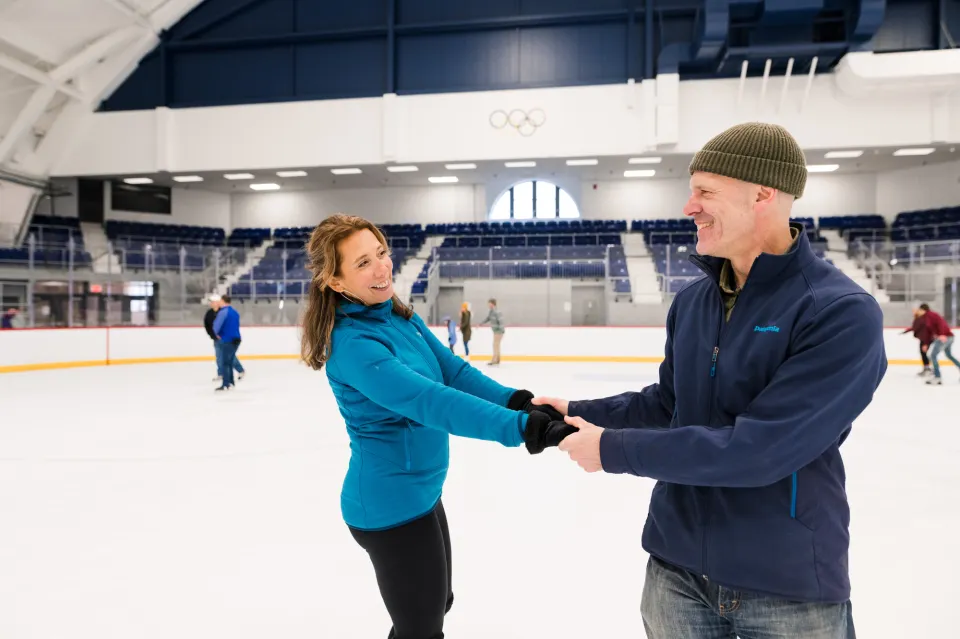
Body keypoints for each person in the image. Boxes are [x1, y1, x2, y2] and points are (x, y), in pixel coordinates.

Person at [536, 122, 887, 639]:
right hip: (675, 575)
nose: (689, 206)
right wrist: (580, 412)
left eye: (705, 191)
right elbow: (668, 404)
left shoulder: (839, 312)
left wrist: (612, 450)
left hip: (784, 588)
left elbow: (760, 449)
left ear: (763, 194)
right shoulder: (694, 301)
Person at [299, 214, 571, 639]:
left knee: (435, 607)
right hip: (389, 506)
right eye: (363, 263)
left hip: (421, 494)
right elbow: (430, 401)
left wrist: (517, 401)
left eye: (382, 253)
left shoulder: (399, 318)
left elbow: (455, 375)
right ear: (335, 282)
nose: (382, 267)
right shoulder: (353, 346)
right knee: (421, 629)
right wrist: (521, 428)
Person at [918, 303, 959, 385]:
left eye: (919, 310)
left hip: (945, 337)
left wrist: (942, 334)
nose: (919, 312)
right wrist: (926, 343)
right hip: (949, 337)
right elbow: (929, 332)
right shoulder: (928, 316)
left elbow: (940, 323)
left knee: (933, 356)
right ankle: (937, 376)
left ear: (923, 310)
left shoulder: (930, 315)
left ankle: (937, 377)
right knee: (949, 355)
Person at [212, 294, 242, 392]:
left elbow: (216, 326)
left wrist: (216, 334)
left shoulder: (223, 312)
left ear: (224, 301)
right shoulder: (235, 312)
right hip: (236, 339)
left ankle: (226, 384)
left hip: (227, 339)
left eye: (220, 300)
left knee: (225, 362)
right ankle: (231, 382)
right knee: (229, 362)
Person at [902, 306, 933, 376]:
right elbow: (915, 327)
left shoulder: (921, 318)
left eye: (916, 310)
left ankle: (927, 369)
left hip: (925, 339)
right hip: (924, 338)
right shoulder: (919, 318)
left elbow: (922, 329)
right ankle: (927, 368)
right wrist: (907, 331)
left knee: (924, 353)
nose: (914, 312)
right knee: (923, 353)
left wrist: (925, 343)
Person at [479, 298, 504, 366]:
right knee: (497, 345)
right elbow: (488, 318)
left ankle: (494, 360)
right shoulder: (491, 311)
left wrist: (501, 330)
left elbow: (501, 321)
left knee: (495, 345)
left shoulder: (497, 311)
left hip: (498, 331)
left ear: (492, 304)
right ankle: (497, 359)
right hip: (496, 331)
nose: (488, 305)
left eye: (489, 303)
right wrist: (481, 323)